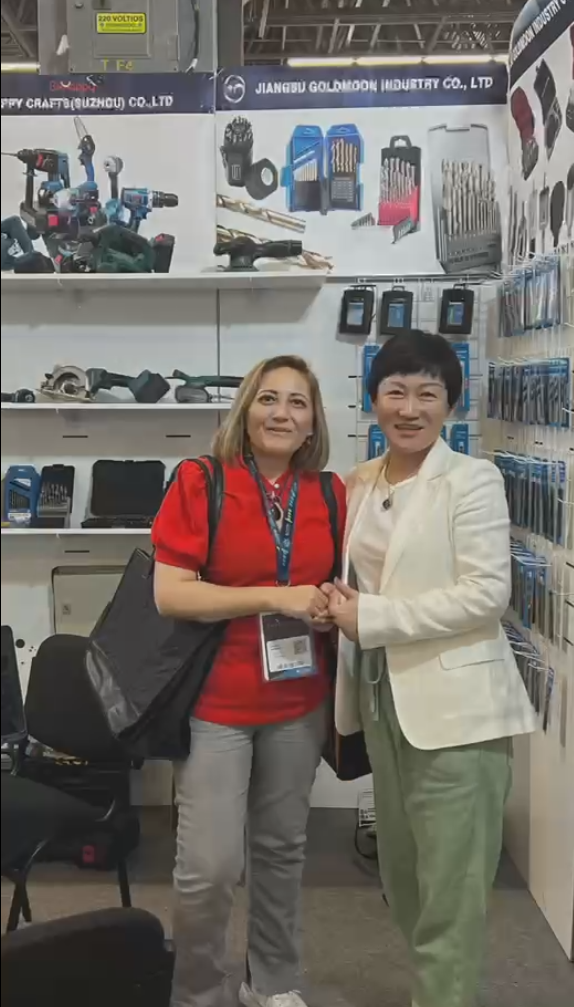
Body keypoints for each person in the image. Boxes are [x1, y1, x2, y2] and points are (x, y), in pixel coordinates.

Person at [329, 330, 537, 1007]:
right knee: (405, 876)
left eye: (428, 393)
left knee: (452, 887)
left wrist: (372, 617)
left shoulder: (472, 480)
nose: (410, 408)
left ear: (451, 403)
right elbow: (357, 581)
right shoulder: (360, 483)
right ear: (374, 399)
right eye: (396, 391)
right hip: (380, 699)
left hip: (458, 710)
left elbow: (485, 595)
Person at [151, 355, 345, 1007]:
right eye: (268, 399)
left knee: (282, 849)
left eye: (297, 402)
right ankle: (198, 992)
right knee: (208, 868)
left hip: (299, 699)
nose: (281, 413)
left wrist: (327, 602)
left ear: (313, 421)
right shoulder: (201, 480)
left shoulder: (329, 493)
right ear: (246, 410)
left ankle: (271, 982)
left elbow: (338, 581)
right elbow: (171, 595)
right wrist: (276, 596)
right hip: (217, 702)